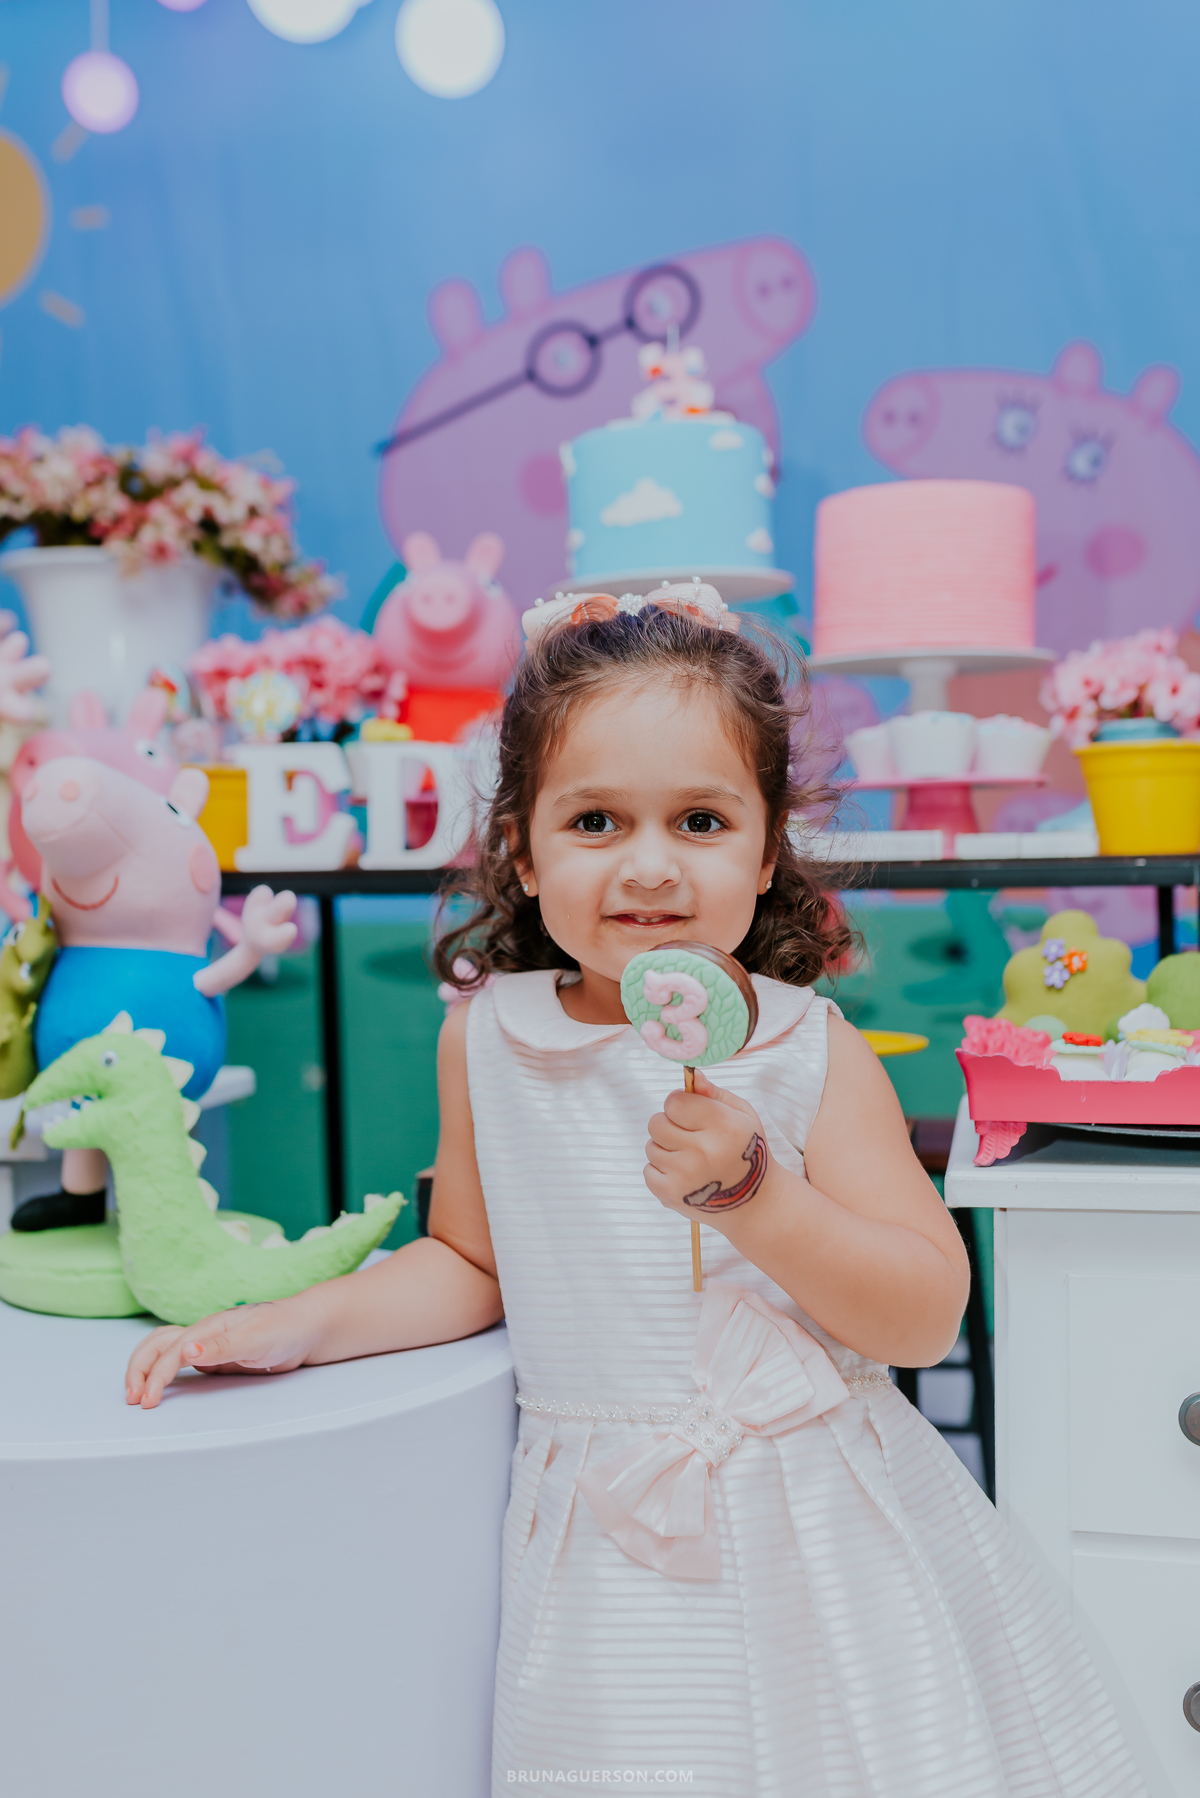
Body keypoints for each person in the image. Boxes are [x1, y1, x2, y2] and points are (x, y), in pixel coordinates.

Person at [127, 596, 1146, 1797]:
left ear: (766, 854)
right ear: (522, 847)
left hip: (822, 1522)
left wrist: (759, 1193)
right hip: (603, 1539)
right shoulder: (487, 1041)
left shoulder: (811, 1049)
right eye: (596, 819)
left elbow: (925, 1315)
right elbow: (470, 1263)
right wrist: (302, 1321)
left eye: (702, 820)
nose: (650, 864)